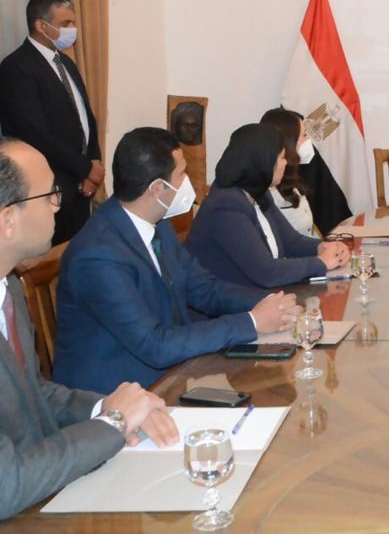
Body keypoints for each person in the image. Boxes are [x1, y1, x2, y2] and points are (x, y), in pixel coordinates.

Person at [0, 137, 178, 519]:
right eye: (49, 194)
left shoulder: (7, 288)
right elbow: (6, 484)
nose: (58, 204)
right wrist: (113, 424)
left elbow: (34, 393)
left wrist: (107, 407)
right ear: (7, 220)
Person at [52, 128, 301, 394]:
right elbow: (155, 345)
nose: (188, 182)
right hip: (118, 396)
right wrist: (251, 322)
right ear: (157, 189)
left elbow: (206, 289)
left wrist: (271, 303)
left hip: (173, 375)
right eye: (182, 174)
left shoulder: (157, 224)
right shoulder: (98, 256)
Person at [187, 124, 349, 289]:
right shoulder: (225, 206)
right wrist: (321, 262)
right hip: (233, 300)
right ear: (264, 162)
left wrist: (322, 247)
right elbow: (266, 272)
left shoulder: (259, 191)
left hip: (260, 295)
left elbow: (291, 242)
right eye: (281, 157)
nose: (285, 163)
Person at [0, 0, 104, 243]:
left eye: (73, 22)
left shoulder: (66, 63)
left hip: (82, 186)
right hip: (49, 189)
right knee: (51, 259)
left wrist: (94, 164)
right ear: (40, 25)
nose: (72, 29)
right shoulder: (16, 68)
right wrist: (85, 168)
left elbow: (86, 119)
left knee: (77, 255)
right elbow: (35, 134)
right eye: (65, 23)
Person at [260, 108, 317, 237]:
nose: (308, 139)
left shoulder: (292, 177)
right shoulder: (267, 189)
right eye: (304, 135)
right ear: (288, 141)